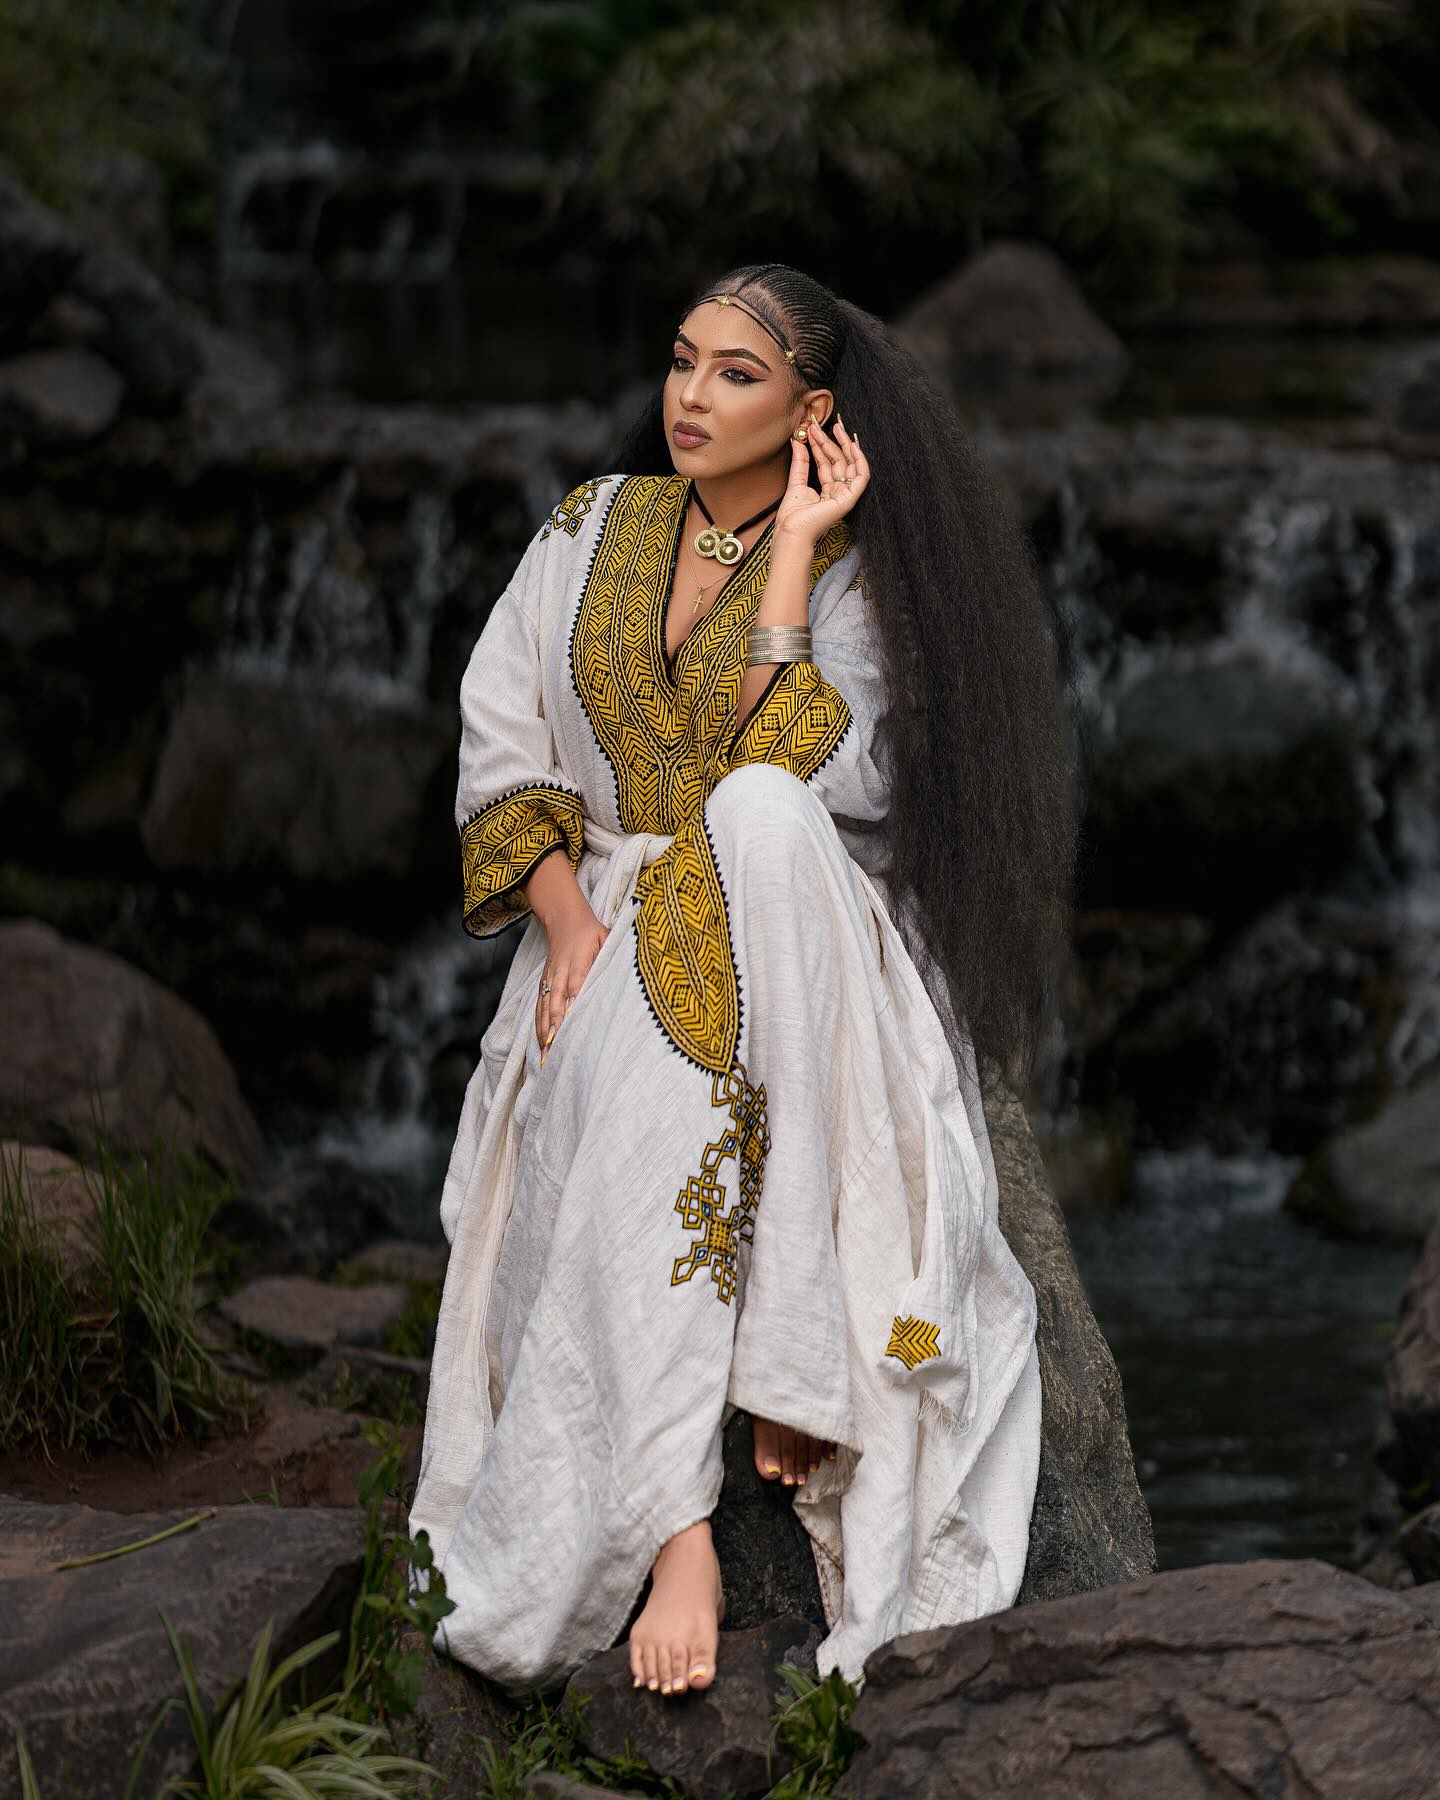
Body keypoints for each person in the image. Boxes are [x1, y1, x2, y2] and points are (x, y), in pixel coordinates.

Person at [408, 262, 1078, 1705]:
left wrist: (790, 562)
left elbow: (799, 783)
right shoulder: (591, 528)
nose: (690, 398)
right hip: (606, 918)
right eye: (681, 361)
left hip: (794, 926)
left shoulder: (854, 583)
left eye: (735, 374)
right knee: (622, 1079)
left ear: (812, 411)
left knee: (755, 821)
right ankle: (682, 1529)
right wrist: (568, 920)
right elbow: (501, 742)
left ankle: (782, 1367)